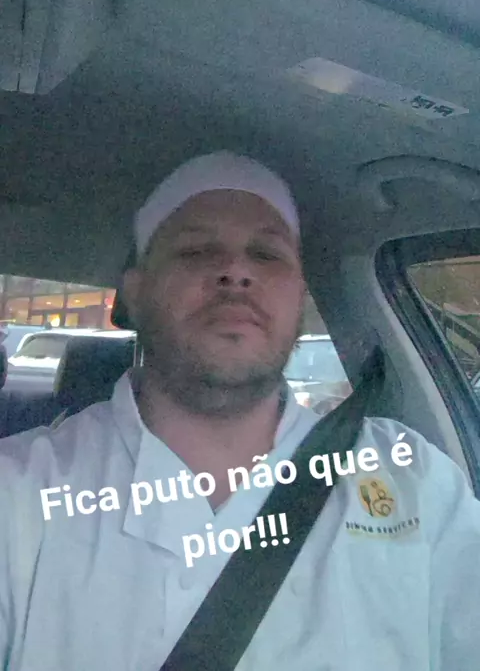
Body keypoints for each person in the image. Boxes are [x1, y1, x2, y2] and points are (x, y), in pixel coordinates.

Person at [0, 150, 479, 670]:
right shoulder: (20, 493)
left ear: (299, 295)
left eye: (267, 254)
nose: (235, 270)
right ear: (135, 291)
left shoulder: (414, 479)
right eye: (196, 251)